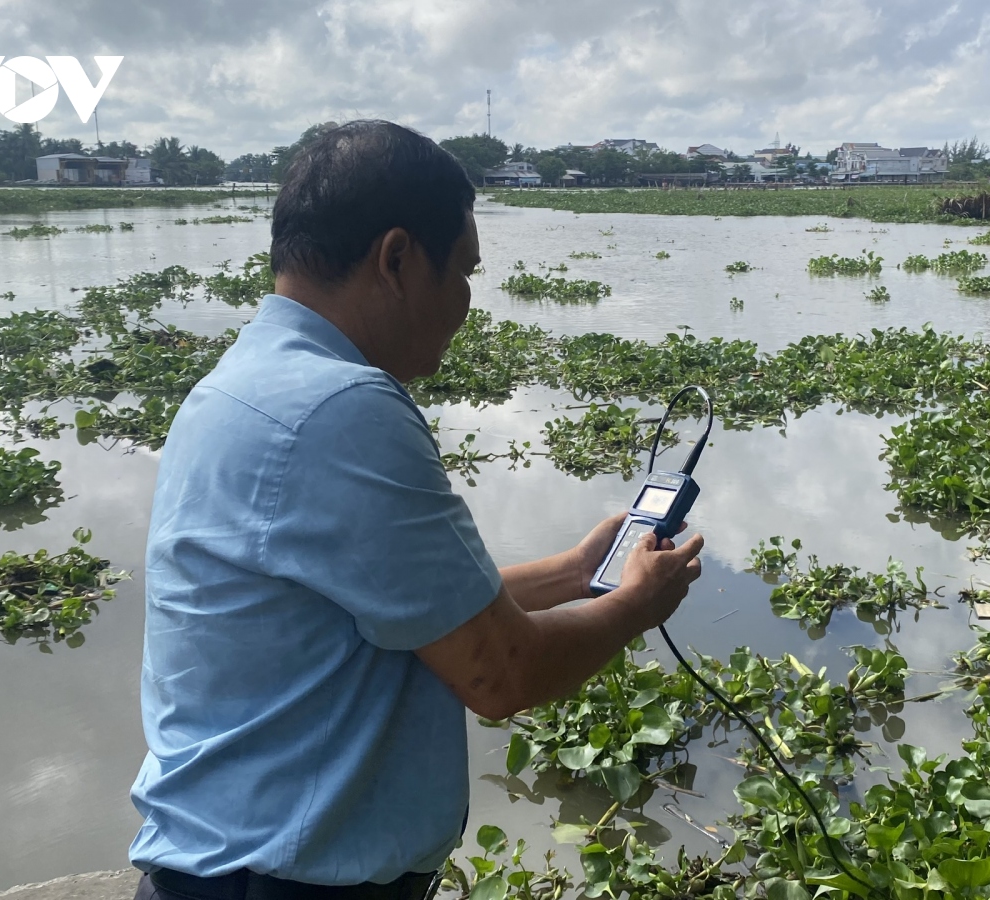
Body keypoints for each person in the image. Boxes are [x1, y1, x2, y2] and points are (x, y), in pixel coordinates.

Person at [129, 120, 705, 900]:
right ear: (396, 259)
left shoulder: (243, 382)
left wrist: (577, 573)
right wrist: (637, 604)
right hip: (281, 885)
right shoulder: (343, 407)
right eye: (463, 271)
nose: (466, 302)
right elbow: (502, 674)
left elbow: (404, 610)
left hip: (224, 863)